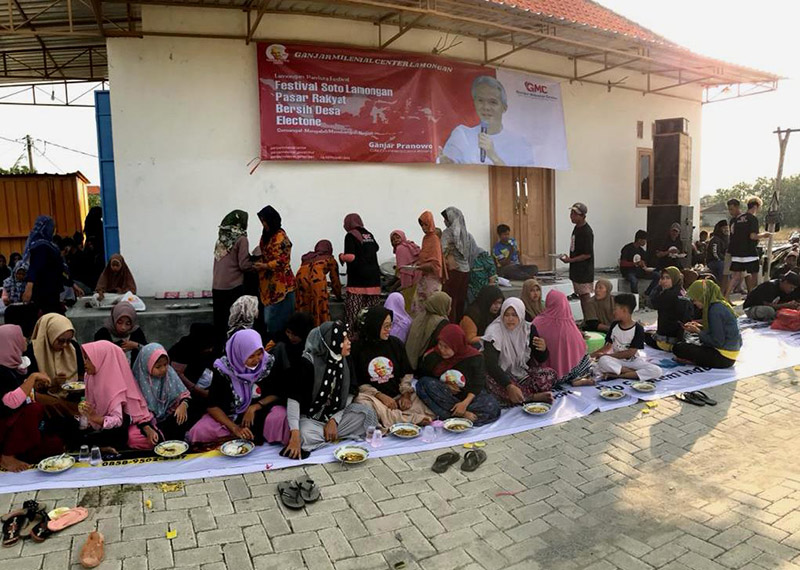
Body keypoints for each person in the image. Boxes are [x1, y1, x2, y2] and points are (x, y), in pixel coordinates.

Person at [282, 321, 377, 458]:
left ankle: (329, 434)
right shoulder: (308, 363)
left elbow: (350, 394)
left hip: (338, 416)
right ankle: (331, 436)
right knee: (304, 434)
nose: (349, 342)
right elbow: (294, 399)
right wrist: (295, 434)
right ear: (332, 341)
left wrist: (334, 420)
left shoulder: (345, 360)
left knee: (366, 414)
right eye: (344, 339)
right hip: (312, 419)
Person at [187, 329, 288, 445]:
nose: (257, 360)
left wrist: (254, 407)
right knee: (200, 430)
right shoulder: (224, 370)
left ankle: (248, 436)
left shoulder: (267, 363)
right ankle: (239, 435)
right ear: (239, 354)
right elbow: (212, 406)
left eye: (259, 354)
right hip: (231, 416)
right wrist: (234, 428)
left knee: (280, 417)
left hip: (260, 412)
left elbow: (278, 392)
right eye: (251, 356)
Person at [352, 307, 435, 427]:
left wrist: (405, 395)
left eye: (390, 325)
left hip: (397, 397)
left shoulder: (395, 344)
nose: (389, 330)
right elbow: (358, 383)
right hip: (374, 398)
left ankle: (395, 418)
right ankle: (408, 419)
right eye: (385, 326)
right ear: (374, 325)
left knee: (425, 405)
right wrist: (380, 396)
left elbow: (406, 373)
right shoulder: (357, 348)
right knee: (362, 403)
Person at [0, 324, 64, 472]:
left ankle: (16, 451)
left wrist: (35, 384)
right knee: (34, 409)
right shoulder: (1, 371)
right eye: (20, 336)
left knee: (55, 445)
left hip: (16, 429)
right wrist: (33, 377)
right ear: (10, 342)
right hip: (5, 427)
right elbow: (11, 402)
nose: (24, 339)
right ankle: (7, 456)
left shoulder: (13, 366)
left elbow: (21, 393)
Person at [77, 341, 158, 451]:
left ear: (101, 359)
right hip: (95, 423)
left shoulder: (112, 384)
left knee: (120, 436)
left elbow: (117, 420)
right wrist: (87, 415)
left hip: (113, 429)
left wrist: (96, 418)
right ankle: (98, 447)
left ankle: (101, 448)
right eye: (85, 358)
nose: (84, 363)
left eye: (88, 359)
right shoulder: (89, 377)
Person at [415, 324, 501, 425]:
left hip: (468, 395)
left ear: (456, 345)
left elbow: (478, 383)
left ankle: (451, 415)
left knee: (493, 406)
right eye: (440, 345)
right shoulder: (433, 356)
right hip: (446, 395)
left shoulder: (474, 357)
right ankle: (462, 415)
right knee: (423, 384)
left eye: (446, 347)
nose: (442, 350)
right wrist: (446, 385)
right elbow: (424, 376)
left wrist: (464, 403)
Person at [439, 75, 534, 166]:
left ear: (504, 108)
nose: (486, 107)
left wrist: (494, 157)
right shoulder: (462, 135)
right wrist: (446, 164)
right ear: (474, 103)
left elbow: (524, 176)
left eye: (493, 102)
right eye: (480, 100)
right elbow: (448, 168)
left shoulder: (520, 143)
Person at [483, 298, 558, 407]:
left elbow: (541, 358)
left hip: (521, 374)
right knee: (489, 380)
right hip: (501, 376)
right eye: (506, 315)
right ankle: (531, 397)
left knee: (550, 374)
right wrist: (509, 385)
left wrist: (543, 349)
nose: (510, 319)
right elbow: (491, 365)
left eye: (514, 315)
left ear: (521, 315)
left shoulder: (528, 329)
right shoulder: (493, 332)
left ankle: (519, 395)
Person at [26, 313, 85, 419]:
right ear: (50, 335)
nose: (65, 345)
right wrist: (51, 382)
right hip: (47, 396)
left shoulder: (73, 348)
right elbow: (30, 385)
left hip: (72, 395)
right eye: (61, 341)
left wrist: (69, 382)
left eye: (68, 340)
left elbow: (82, 374)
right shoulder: (33, 351)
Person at [592, 294, 663, 381]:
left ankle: (618, 375)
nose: (613, 312)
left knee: (657, 370)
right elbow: (608, 346)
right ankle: (632, 373)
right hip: (616, 360)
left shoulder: (638, 328)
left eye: (615, 309)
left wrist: (608, 355)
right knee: (603, 361)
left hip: (633, 361)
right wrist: (593, 355)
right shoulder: (614, 325)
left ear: (624, 310)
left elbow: (631, 353)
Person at [133, 343, 195, 441]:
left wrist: (183, 404)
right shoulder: (138, 380)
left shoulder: (169, 373)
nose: (163, 369)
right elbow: (136, 410)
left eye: (165, 365)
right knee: (134, 437)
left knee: (185, 414)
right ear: (146, 365)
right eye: (158, 367)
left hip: (169, 415)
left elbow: (183, 393)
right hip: (147, 420)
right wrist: (147, 428)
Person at [673, 280, 741, 369]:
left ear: (702, 296)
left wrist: (697, 331)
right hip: (730, 354)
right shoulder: (720, 304)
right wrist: (699, 327)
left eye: (695, 299)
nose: (694, 303)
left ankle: (694, 360)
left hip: (723, 357)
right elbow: (718, 330)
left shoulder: (714, 310)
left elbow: (717, 342)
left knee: (678, 348)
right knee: (691, 343)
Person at [21, 216, 80, 315]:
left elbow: (59, 268)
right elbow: (35, 267)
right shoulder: (41, 246)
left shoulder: (50, 246)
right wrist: (29, 288)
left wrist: (72, 284)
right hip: (43, 291)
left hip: (52, 290)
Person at [533, 290, 594, 386]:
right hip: (571, 373)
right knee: (586, 357)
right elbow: (581, 346)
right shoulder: (569, 322)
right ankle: (577, 378)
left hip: (548, 375)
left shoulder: (538, 322)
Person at [211, 210, 253, 349]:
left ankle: (219, 353)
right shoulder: (241, 239)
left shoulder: (222, 238)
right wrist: (257, 264)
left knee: (220, 325)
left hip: (217, 287)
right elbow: (244, 265)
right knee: (234, 324)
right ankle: (234, 353)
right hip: (233, 287)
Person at [254, 206, 296, 334]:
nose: (263, 224)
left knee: (276, 319)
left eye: (264, 221)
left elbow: (283, 261)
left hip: (281, 285)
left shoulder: (281, 237)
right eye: (262, 221)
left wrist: (265, 266)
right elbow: (264, 252)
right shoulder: (266, 235)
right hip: (267, 285)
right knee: (269, 319)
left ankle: (277, 342)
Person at [339, 213, 382, 332]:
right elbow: (376, 248)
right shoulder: (369, 234)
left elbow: (351, 257)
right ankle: (370, 338)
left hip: (358, 281)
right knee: (371, 316)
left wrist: (341, 256)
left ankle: (352, 339)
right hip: (374, 281)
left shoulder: (350, 235)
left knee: (354, 315)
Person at [727, 196, 770, 299]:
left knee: (735, 276)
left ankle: (726, 296)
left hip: (736, 252)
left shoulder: (736, 219)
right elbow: (752, 236)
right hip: (749, 251)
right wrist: (764, 235)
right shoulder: (752, 219)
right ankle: (752, 296)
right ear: (756, 207)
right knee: (754, 274)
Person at [441, 207, 479, 322]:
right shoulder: (467, 235)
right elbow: (474, 252)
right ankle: (459, 324)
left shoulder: (447, 233)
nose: (444, 221)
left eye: (446, 219)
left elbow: (442, 251)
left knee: (450, 300)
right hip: (465, 270)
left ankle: (450, 324)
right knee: (460, 300)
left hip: (453, 271)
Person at [295, 240, 342, 326]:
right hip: (317, 281)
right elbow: (335, 281)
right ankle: (319, 328)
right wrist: (339, 296)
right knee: (319, 307)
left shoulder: (308, 257)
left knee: (303, 306)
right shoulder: (330, 259)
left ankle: (302, 330)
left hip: (300, 280)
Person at [644, 267, 693, 352]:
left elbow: (651, 303)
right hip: (678, 339)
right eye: (663, 278)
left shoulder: (669, 295)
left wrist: (658, 286)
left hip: (668, 341)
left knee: (642, 334)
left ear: (674, 278)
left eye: (668, 278)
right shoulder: (682, 292)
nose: (664, 281)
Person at [559, 203, 594, 316]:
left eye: (575, 214)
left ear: (583, 216)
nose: (571, 216)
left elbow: (587, 254)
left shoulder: (586, 232)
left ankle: (589, 319)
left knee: (585, 296)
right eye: (571, 213)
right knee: (581, 295)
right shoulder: (577, 228)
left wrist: (570, 260)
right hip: (577, 269)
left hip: (584, 270)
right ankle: (586, 319)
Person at [405, 291, 452, 371]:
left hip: (410, 362)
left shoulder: (420, 317)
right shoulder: (442, 323)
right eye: (449, 305)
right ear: (442, 305)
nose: (450, 309)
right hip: (427, 366)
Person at [169, 323, 216, 399]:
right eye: (209, 346)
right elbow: (178, 376)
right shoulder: (182, 350)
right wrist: (201, 392)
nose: (211, 349)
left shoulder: (201, 351)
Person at [94, 301, 148, 366]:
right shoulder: (103, 333)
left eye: (128, 324)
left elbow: (149, 353)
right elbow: (97, 356)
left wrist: (136, 346)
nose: (123, 327)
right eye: (119, 322)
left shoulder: (136, 332)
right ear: (114, 319)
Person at [412, 211, 444, 315]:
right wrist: (417, 264)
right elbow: (424, 257)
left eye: (425, 224)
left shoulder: (434, 239)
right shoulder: (425, 239)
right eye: (422, 225)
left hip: (432, 279)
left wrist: (421, 266)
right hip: (423, 278)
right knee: (419, 307)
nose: (423, 228)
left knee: (430, 308)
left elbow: (436, 264)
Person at [619, 230, 659, 297]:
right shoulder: (627, 248)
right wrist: (635, 264)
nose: (645, 242)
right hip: (629, 271)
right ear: (639, 240)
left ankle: (647, 294)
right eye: (644, 240)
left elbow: (644, 262)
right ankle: (635, 297)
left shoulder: (641, 251)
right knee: (634, 281)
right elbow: (622, 263)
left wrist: (644, 266)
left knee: (657, 275)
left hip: (639, 271)